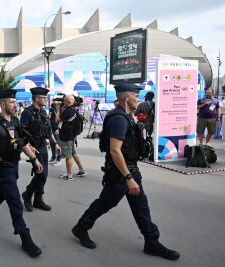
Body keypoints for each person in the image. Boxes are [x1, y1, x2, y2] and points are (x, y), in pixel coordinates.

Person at [71, 83, 180, 261]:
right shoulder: (119, 119)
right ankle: (81, 227)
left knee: (141, 206)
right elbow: (115, 150)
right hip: (121, 173)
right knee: (105, 203)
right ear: (127, 97)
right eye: (137, 96)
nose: (139, 99)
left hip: (130, 170)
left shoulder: (126, 116)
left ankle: (151, 241)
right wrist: (128, 178)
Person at [0, 89, 43, 258]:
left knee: (2, 193)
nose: (15, 104)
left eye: (15, 101)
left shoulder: (15, 121)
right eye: (12, 102)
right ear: (3, 104)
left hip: (14, 166)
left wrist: (34, 159)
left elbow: (22, 143)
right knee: (15, 202)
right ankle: (25, 238)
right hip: (3, 168)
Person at [20, 87, 61, 212]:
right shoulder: (27, 113)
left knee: (44, 174)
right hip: (33, 148)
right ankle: (28, 193)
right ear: (37, 99)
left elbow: (48, 130)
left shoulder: (43, 111)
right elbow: (21, 133)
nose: (46, 100)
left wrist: (55, 144)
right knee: (41, 174)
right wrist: (29, 147)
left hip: (43, 146)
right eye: (44, 98)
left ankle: (38, 199)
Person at [55, 95, 87, 180]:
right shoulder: (73, 110)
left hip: (67, 137)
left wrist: (58, 110)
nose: (63, 102)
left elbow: (57, 120)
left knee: (68, 156)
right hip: (71, 135)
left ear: (69, 102)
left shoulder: (68, 111)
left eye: (64, 101)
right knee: (73, 153)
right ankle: (81, 170)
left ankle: (69, 175)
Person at [48, 100, 62, 166]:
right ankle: (53, 157)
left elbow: (62, 121)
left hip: (58, 130)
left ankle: (58, 159)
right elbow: (50, 118)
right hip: (52, 129)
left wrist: (58, 129)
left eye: (57, 102)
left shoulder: (62, 110)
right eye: (55, 102)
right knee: (52, 144)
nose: (55, 103)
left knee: (58, 144)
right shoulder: (52, 109)